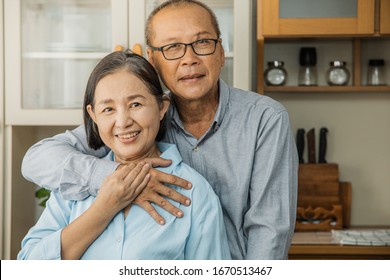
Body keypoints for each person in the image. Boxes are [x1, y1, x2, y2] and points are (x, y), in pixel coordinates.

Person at [22, 0, 298, 259]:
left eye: (202, 42)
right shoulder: (132, 125)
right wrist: (121, 182)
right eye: (172, 47)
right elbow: (37, 159)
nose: (189, 59)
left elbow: (270, 229)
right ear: (152, 61)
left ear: (221, 52)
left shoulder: (264, 118)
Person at [17, 50, 231, 260]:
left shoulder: (194, 192)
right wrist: (104, 208)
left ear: (161, 107)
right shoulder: (75, 181)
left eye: (135, 104)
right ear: (93, 116)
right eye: (108, 109)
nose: (123, 121)